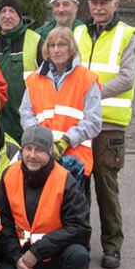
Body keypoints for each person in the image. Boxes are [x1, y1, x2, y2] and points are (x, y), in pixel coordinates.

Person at [0, 126, 91, 269]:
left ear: (49, 152)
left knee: (79, 255)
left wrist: (37, 252)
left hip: (55, 254)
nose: (32, 155)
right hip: (20, 252)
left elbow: (80, 228)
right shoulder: (10, 174)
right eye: (28, 149)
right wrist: (16, 257)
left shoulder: (65, 181)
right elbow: (3, 222)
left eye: (39, 150)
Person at [73, 0, 135, 269]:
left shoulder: (126, 35)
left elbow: (127, 78)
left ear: (115, 4)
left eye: (104, 2)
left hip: (108, 126)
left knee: (106, 189)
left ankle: (112, 246)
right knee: (79, 186)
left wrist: (93, 92)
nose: (99, 7)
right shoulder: (79, 33)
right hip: (81, 123)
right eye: (94, 2)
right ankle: (80, 241)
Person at [21, 27, 101, 178]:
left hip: (75, 161)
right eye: (52, 45)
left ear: (71, 48)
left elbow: (93, 122)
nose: (56, 50)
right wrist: (39, 139)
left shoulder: (87, 79)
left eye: (62, 45)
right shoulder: (34, 79)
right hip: (40, 157)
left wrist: (66, 140)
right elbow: (26, 113)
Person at [0, 0, 40, 142]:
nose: (7, 16)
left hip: (25, 120)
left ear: (20, 16)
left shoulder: (35, 40)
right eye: (3, 11)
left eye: (12, 11)